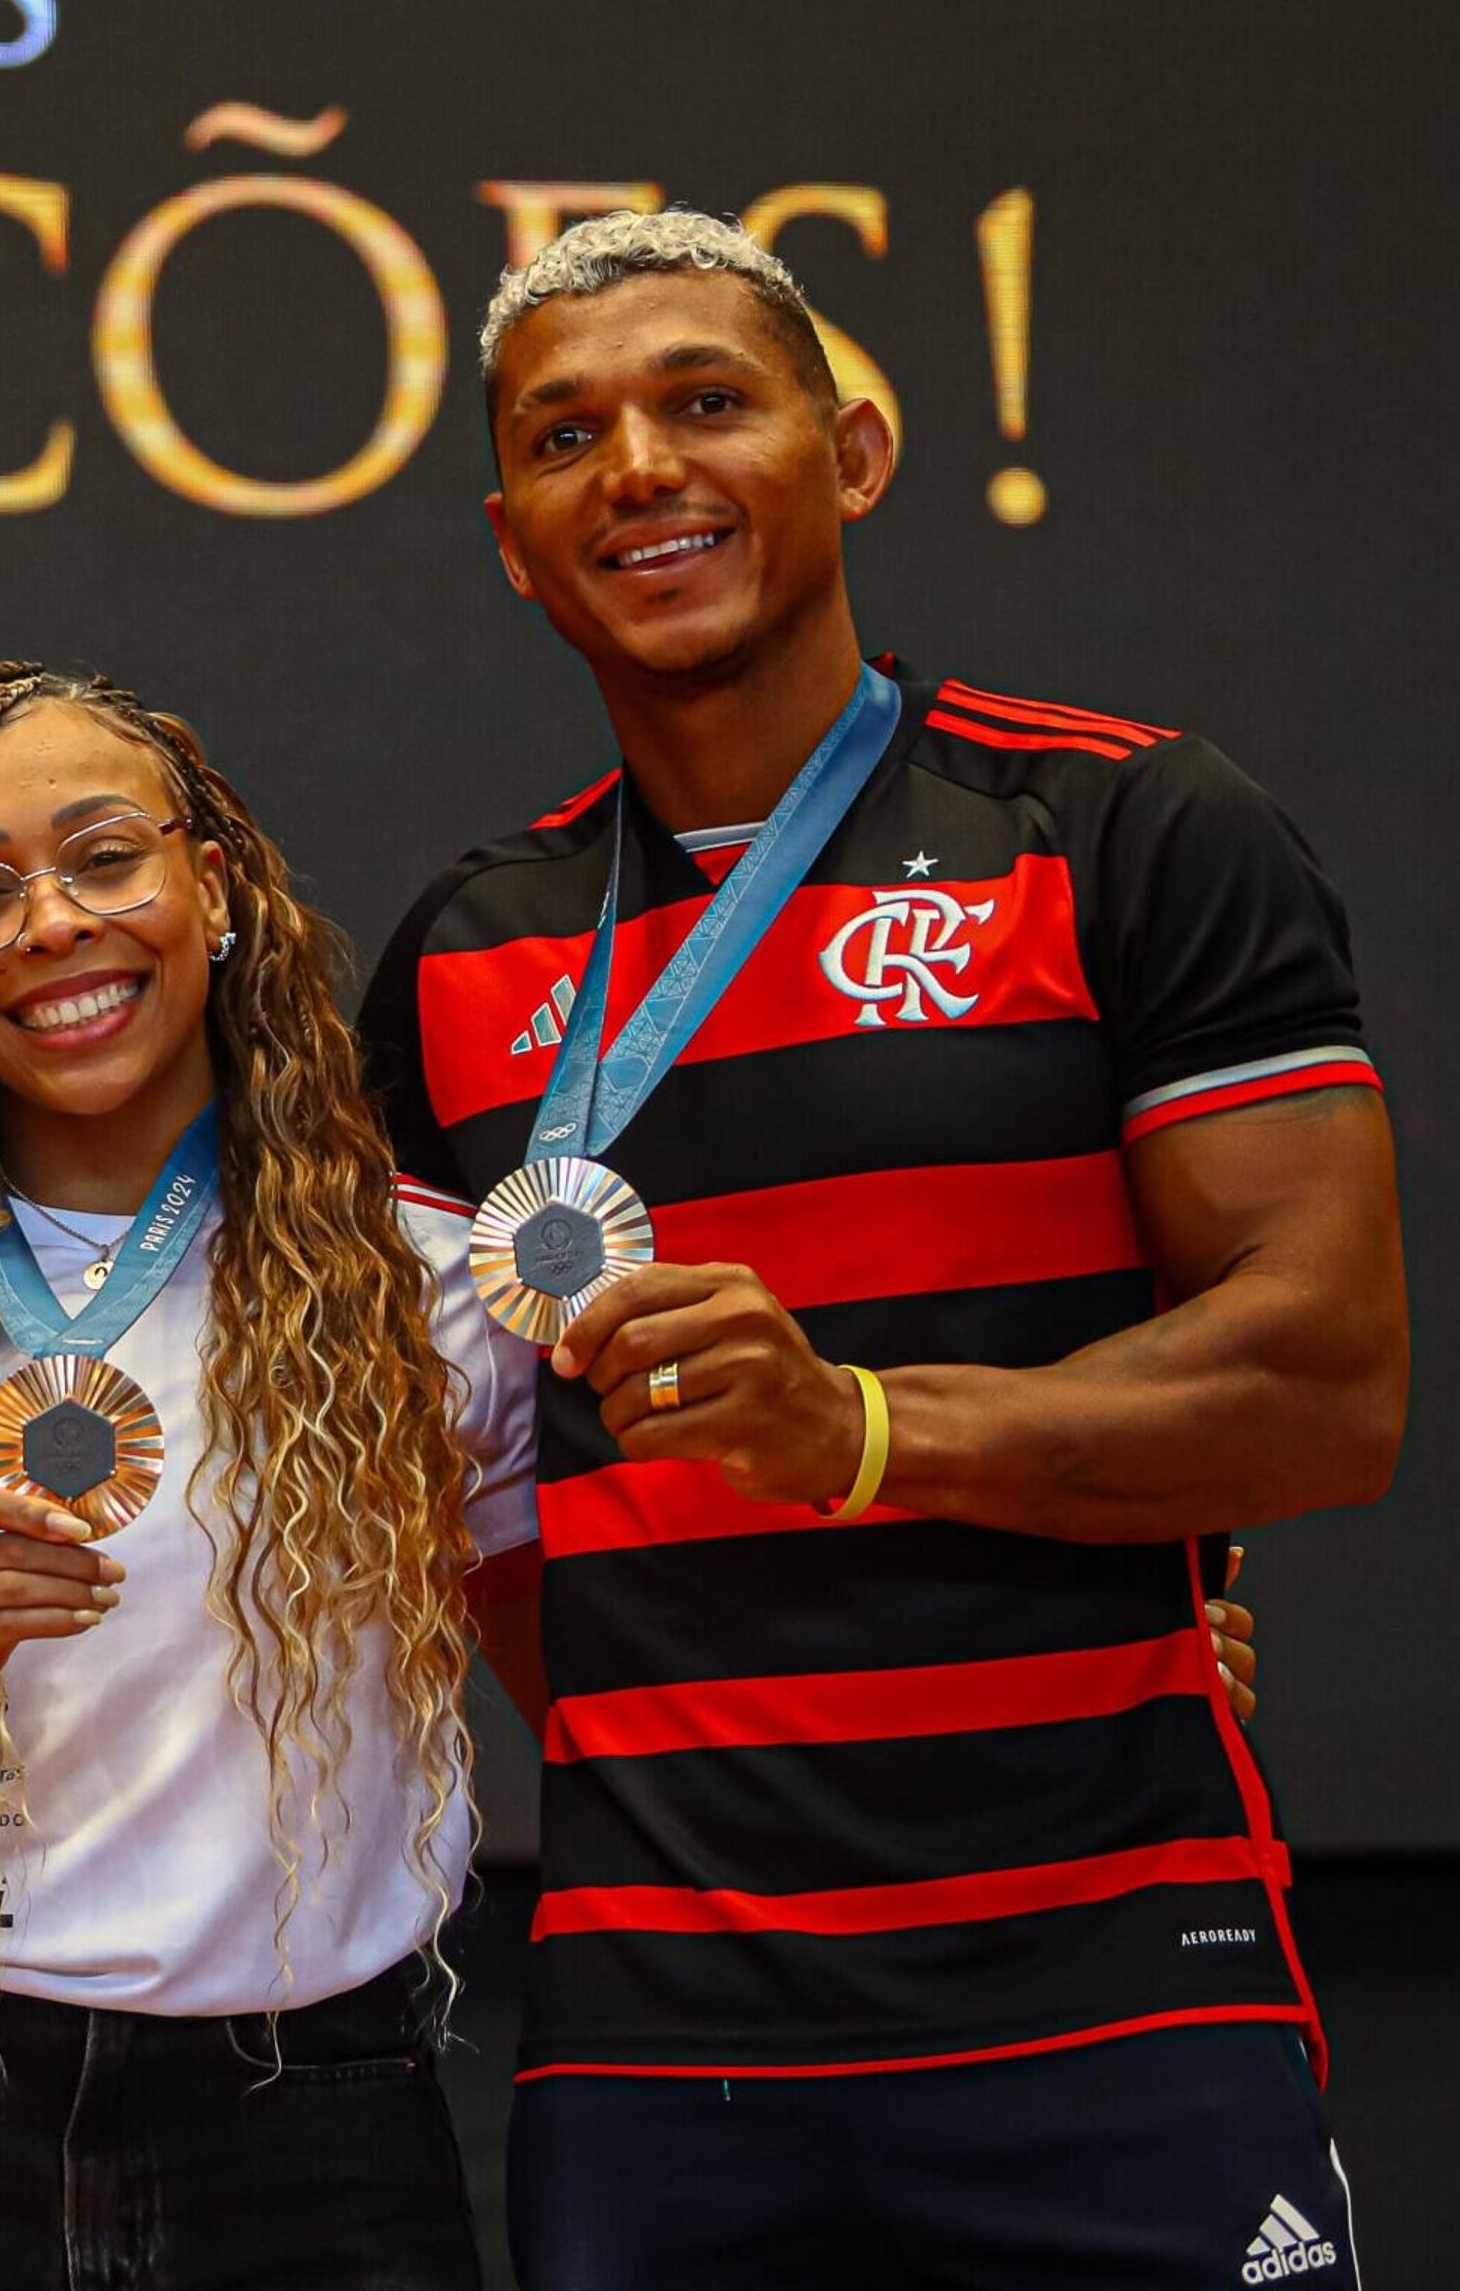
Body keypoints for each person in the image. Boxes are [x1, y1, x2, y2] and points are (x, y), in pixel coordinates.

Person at [360, 210, 1406, 2288]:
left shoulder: (1127, 833)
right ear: (511, 534)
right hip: (662, 2043)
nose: (640, 467)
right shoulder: (463, 961)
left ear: (852, 452)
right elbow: (444, 1468)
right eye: (568, 437)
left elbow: (1322, 1388)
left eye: (707, 402)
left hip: (1118, 1990)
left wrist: (856, 1435)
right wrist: (723, 1733)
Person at [0, 662, 532, 2290]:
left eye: (102, 857)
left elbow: (604, 1705)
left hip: (315, 2130)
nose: (54, 925)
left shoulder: (427, 1292)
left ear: (211, 883)